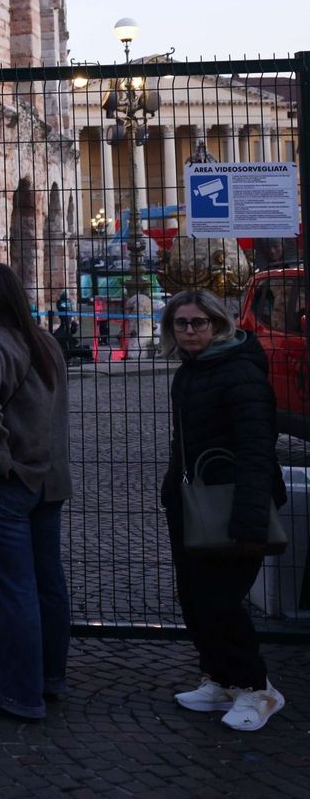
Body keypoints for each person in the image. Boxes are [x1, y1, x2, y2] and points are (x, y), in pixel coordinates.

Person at [159, 289, 287, 732]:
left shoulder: (240, 373)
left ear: (218, 324)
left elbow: (256, 449)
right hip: (195, 504)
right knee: (195, 599)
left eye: (198, 323)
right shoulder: (190, 372)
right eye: (181, 323)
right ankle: (221, 679)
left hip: (236, 507)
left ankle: (258, 689)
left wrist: (248, 521)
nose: (190, 330)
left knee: (221, 601)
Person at [0, 261, 71, 723]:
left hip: (10, 481)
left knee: (15, 589)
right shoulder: (43, 339)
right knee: (47, 584)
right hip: (48, 480)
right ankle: (49, 677)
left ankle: (20, 695)